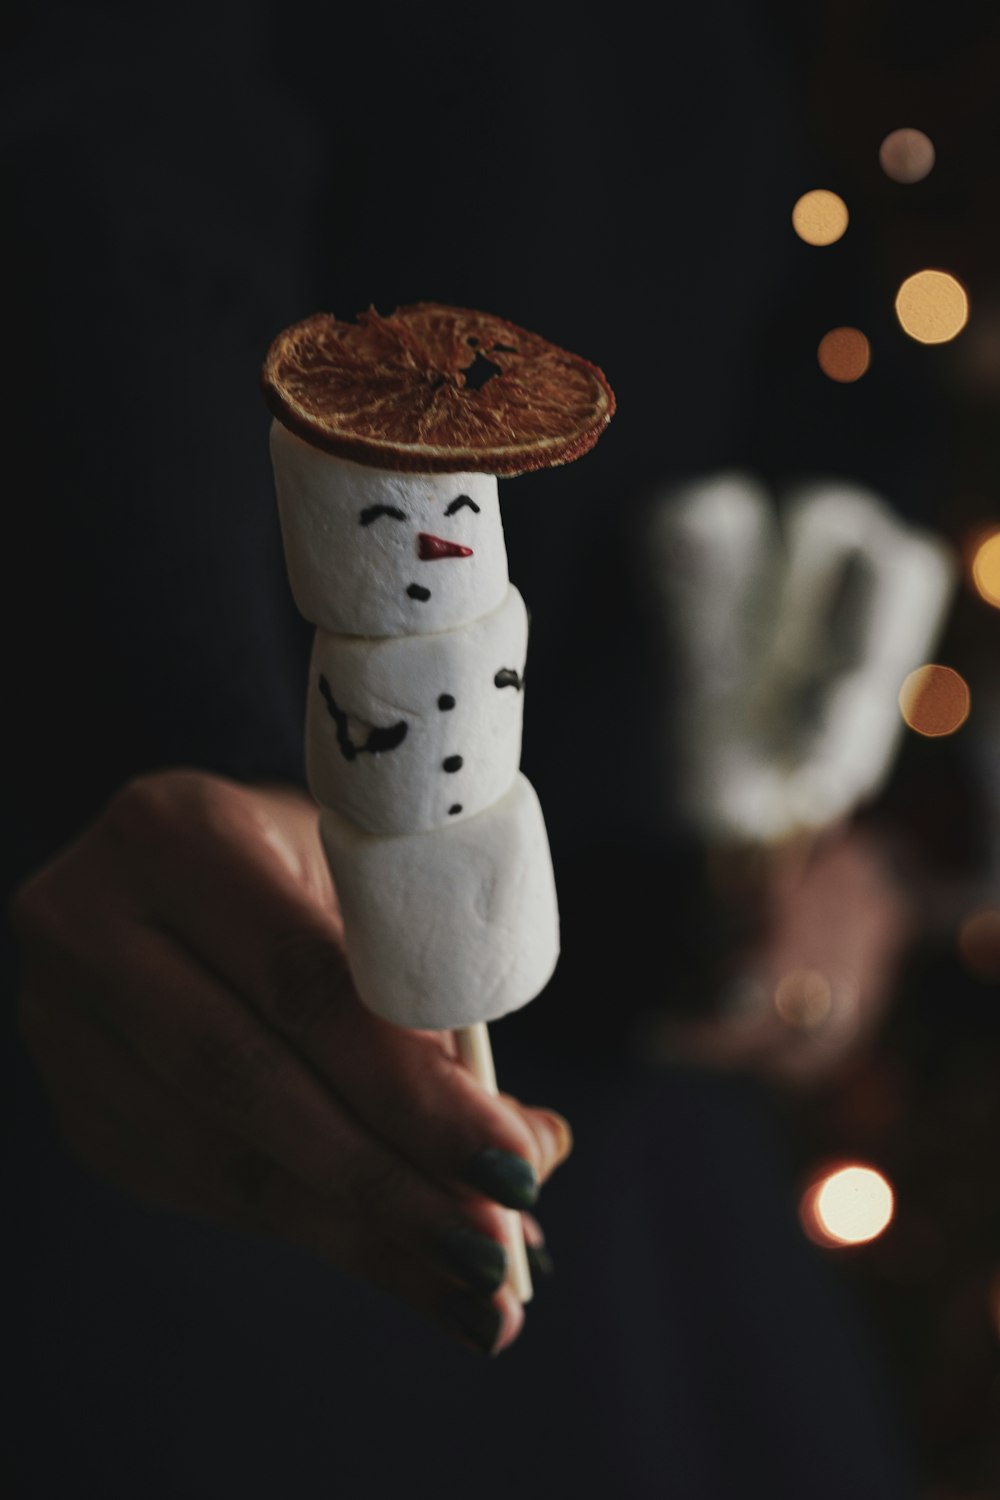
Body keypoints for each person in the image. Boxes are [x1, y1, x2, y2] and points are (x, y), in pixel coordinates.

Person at [6, 3, 951, 1495]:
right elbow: (107, 130)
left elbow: (804, 334)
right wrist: (172, 709)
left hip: (631, 1050)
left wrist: (834, 841)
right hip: (184, 958)